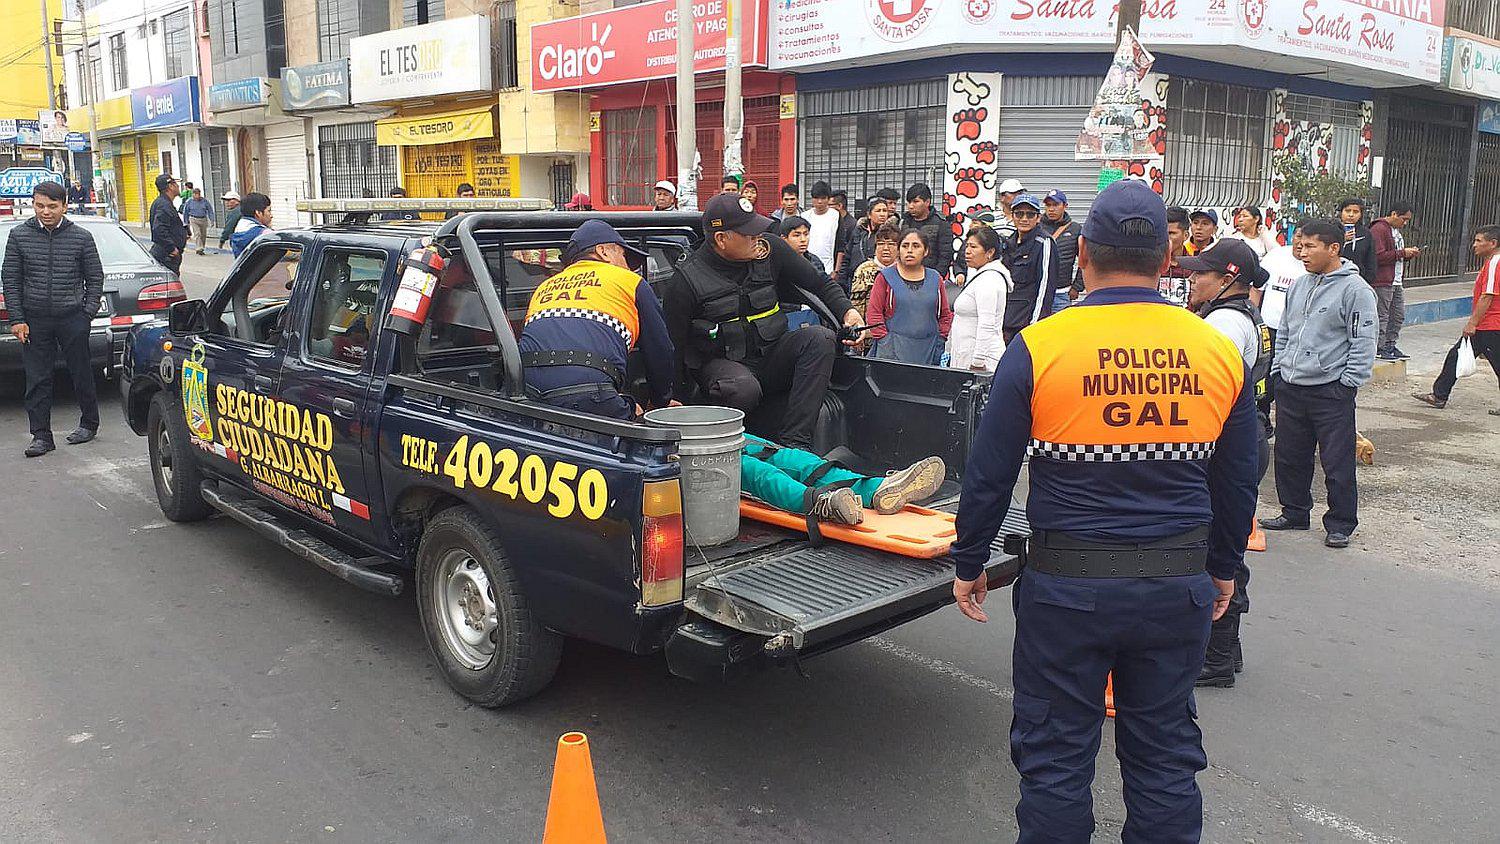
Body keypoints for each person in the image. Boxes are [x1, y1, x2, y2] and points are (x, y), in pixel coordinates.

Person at [949, 179, 1259, 843]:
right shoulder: (1216, 351)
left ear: (1082, 251)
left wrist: (969, 558)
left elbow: (990, 472)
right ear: (1169, 259)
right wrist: (1224, 569)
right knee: (1164, 758)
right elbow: (1238, 481)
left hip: (1068, 589)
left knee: (1056, 758)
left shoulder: (1040, 346)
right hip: (1176, 584)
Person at [662, 193, 862, 449]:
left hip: (771, 356)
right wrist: (674, 400)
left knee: (819, 338)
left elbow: (819, 282)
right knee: (743, 388)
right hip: (724, 369)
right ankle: (735, 446)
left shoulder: (771, 250)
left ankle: (796, 444)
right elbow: (673, 348)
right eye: (748, 233)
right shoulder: (686, 280)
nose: (757, 238)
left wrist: (848, 312)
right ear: (722, 239)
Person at [1181, 239, 1274, 688]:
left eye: (1202, 273)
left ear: (1228, 279)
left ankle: (1215, 657)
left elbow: (1206, 390)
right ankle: (1226, 651)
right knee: (1228, 538)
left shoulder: (1222, 324)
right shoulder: (1246, 318)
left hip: (1227, 441)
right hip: (1249, 434)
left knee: (1219, 547)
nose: (1192, 279)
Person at [1260, 219, 1377, 549]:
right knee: (1289, 456)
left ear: (1333, 249)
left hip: (1331, 390)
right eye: (1300, 244)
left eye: (1311, 246)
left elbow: (1365, 339)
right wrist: (1279, 370)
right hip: (1291, 385)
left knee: (1337, 461)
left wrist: (1348, 382)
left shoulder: (1356, 290)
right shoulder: (1300, 284)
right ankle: (1294, 512)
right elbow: (1284, 330)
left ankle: (1340, 523)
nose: (1302, 251)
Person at [517, 220, 676, 420]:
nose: (628, 267)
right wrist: (660, 401)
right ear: (604, 251)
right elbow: (660, 350)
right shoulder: (629, 282)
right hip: (589, 392)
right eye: (624, 255)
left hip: (526, 391)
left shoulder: (544, 287)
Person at [2, 181, 105, 457]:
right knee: (37, 379)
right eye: (39, 206)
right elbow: (10, 280)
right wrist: (17, 318)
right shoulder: (19, 236)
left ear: (64, 206)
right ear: (33, 204)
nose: (45, 212)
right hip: (34, 320)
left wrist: (87, 313)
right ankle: (41, 436)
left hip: (72, 317)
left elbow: (95, 278)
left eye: (52, 206)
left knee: (81, 372)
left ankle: (89, 423)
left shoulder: (81, 237)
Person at [741, 434, 945, 525]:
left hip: (716, 428)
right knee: (751, 470)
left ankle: (876, 488)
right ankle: (822, 503)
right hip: (709, 456)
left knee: (790, 457)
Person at [1413, 225, 1500, 413]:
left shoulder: (1495, 263)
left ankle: (1439, 395)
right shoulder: (1491, 262)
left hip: (1490, 324)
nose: (1474, 245)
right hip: (1488, 324)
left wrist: (1472, 323)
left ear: (1492, 243)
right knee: (1456, 355)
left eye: (1478, 241)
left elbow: (1488, 295)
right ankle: (1439, 395)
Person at [866, 227, 952, 365]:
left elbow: (945, 315)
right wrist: (885, 342)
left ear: (926, 251)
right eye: (905, 246)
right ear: (899, 250)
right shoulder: (885, 277)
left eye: (916, 246)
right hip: (891, 351)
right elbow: (874, 314)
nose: (910, 250)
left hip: (929, 351)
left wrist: (940, 339)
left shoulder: (935, 278)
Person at [1254, 233, 1306, 423]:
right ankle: (1263, 417)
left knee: (1287, 380)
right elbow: (1256, 289)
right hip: (1269, 327)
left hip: (1298, 333)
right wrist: (1254, 318)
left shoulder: (1313, 266)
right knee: (1264, 376)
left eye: (1308, 241)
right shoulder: (1276, 257)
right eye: (1299, 236)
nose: (1301, 244)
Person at [948, 224, 1009, 373]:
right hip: (966, 356)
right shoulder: (981, 276)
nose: (967, 251)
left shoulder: (989, 279)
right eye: (967, 246)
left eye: (974, 247)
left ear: (990, 252)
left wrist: (977, 362)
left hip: (981, 362)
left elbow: (987, 323)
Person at [1000, 193, 1059, 342]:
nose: (1024, 219)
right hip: (1004, 323)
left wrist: (1035, 326)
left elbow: (1045, 289)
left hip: (1026, 325)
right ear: (1012, 216)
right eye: (1019, 214)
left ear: (1038, 218)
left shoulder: (1044, 243)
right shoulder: (1007, 243)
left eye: (1030, 214)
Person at [1370, 201, 1419, 361]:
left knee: (1397, 315)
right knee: (1382, 314)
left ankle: (1390, 344)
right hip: (1383, 280)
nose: (1405, 223)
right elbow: (1378, 256)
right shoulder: (1379, 229)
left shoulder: (1395, 231)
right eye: (1403, 219)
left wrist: (1406, 255)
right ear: (1393, 214)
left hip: (1396, 280)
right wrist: (1401, 253)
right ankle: (1378, 347)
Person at [850, 221, 901, 326]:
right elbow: (857, 304)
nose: (886, 248)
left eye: (891, 244)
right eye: (881, 244)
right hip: (870, 330)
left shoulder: (904, 270)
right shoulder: (864, 269)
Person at [901, 183, 954, 279]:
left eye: (915, 201)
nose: (911, 206)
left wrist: (936, 278)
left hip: (930, 277)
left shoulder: (941, 224)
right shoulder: (903, 223)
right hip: (905, 276)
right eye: (909, 202)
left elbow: (945, 256)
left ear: (927, 202)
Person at [1040, 189, 1081, 312]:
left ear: (1065, 206)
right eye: (1048, 205)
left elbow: (1086, 259)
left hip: (1062, 293)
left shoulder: (1075, 229)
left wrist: (1077, 287)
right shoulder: (1036, 226)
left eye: (1056, 205)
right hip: (1038, 292)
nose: (1051, 209)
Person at [844, 196, 895, 284]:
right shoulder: (858, 231)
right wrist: (842, 281)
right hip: (854, 280)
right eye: (878, 211)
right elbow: (847, 257)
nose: (882, 214)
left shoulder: (891, 234)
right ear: (869, 214)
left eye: (885, 211)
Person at [148, 174, 188, 275]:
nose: (178, 186)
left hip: (167, 254)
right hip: (166, 256)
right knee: (169, 286)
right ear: (170, 186)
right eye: (175, 184)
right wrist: (171, 248)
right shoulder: (163, 205)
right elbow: (159, 229)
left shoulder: (164, 203)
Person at [779, 215, 833, 287]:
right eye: (797, 235)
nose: (803, 239)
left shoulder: (815, 261)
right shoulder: (777, 262)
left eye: (806, 234)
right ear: (784, 238)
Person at [1337, 198, 1378, 287]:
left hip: (1359, 281)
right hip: (1335, 279)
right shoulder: (1332, 230)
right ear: (1341, 212)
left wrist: (1367, 281)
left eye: (1355, 212)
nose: (1351, 215)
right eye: (1347, 211)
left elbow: (1371, 260)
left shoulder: (1366, 233)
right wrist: (1341, 240)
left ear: (1361, 214)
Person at [1158, 205, 1194, 306]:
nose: (1166, 237)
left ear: (1186, 235)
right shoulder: (1152, 265)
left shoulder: (1195, 267)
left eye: (1171, 233)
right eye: (1163, 233)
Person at [804, 181, 841, 277]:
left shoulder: (835, 216)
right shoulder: (805, 216)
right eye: (816, 198)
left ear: (829, 199)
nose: (819, 202)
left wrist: (836, 271)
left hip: (828, 269)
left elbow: (841, 245)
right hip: (807, 267)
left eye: (823, 198)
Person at [229, 192, 273, 257]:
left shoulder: (240, 227)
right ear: (258, 213)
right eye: (269, 211)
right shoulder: (263, 234)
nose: (271, 215)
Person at [830, 190, 857, 282]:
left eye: (830, 205)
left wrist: (838, 271)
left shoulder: (852, 224)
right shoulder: (832, 221)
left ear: (839, 206)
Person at [181, 187, 215, 255]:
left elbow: (210, 210)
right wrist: (186, 222)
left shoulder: (204, 201)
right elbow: (186, 212)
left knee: (203, 234)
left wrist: (212, 220)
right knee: (197, 233)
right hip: (193, 219)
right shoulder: (189, 202)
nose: (197, 196)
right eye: (195, 194)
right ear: (193, 194)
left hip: (203, 219)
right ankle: (199, 248)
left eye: (198, 194)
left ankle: (202, 247)